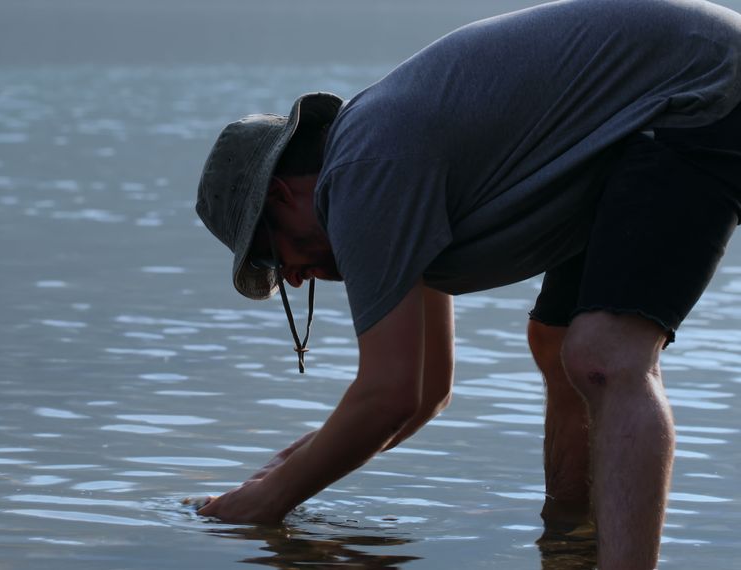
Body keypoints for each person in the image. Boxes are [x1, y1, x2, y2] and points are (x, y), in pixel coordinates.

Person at [192, 0, 741, 568]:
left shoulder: (361, 173)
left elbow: (390, 396)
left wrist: (262, 504)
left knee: (605, 354)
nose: (297, 276)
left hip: (701, 87)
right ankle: (569, 546)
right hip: (636, 118)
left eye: (273, 258)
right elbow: (428, 392)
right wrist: (278, 471)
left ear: (281, 197)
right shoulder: (384, 167)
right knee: (556, 344)